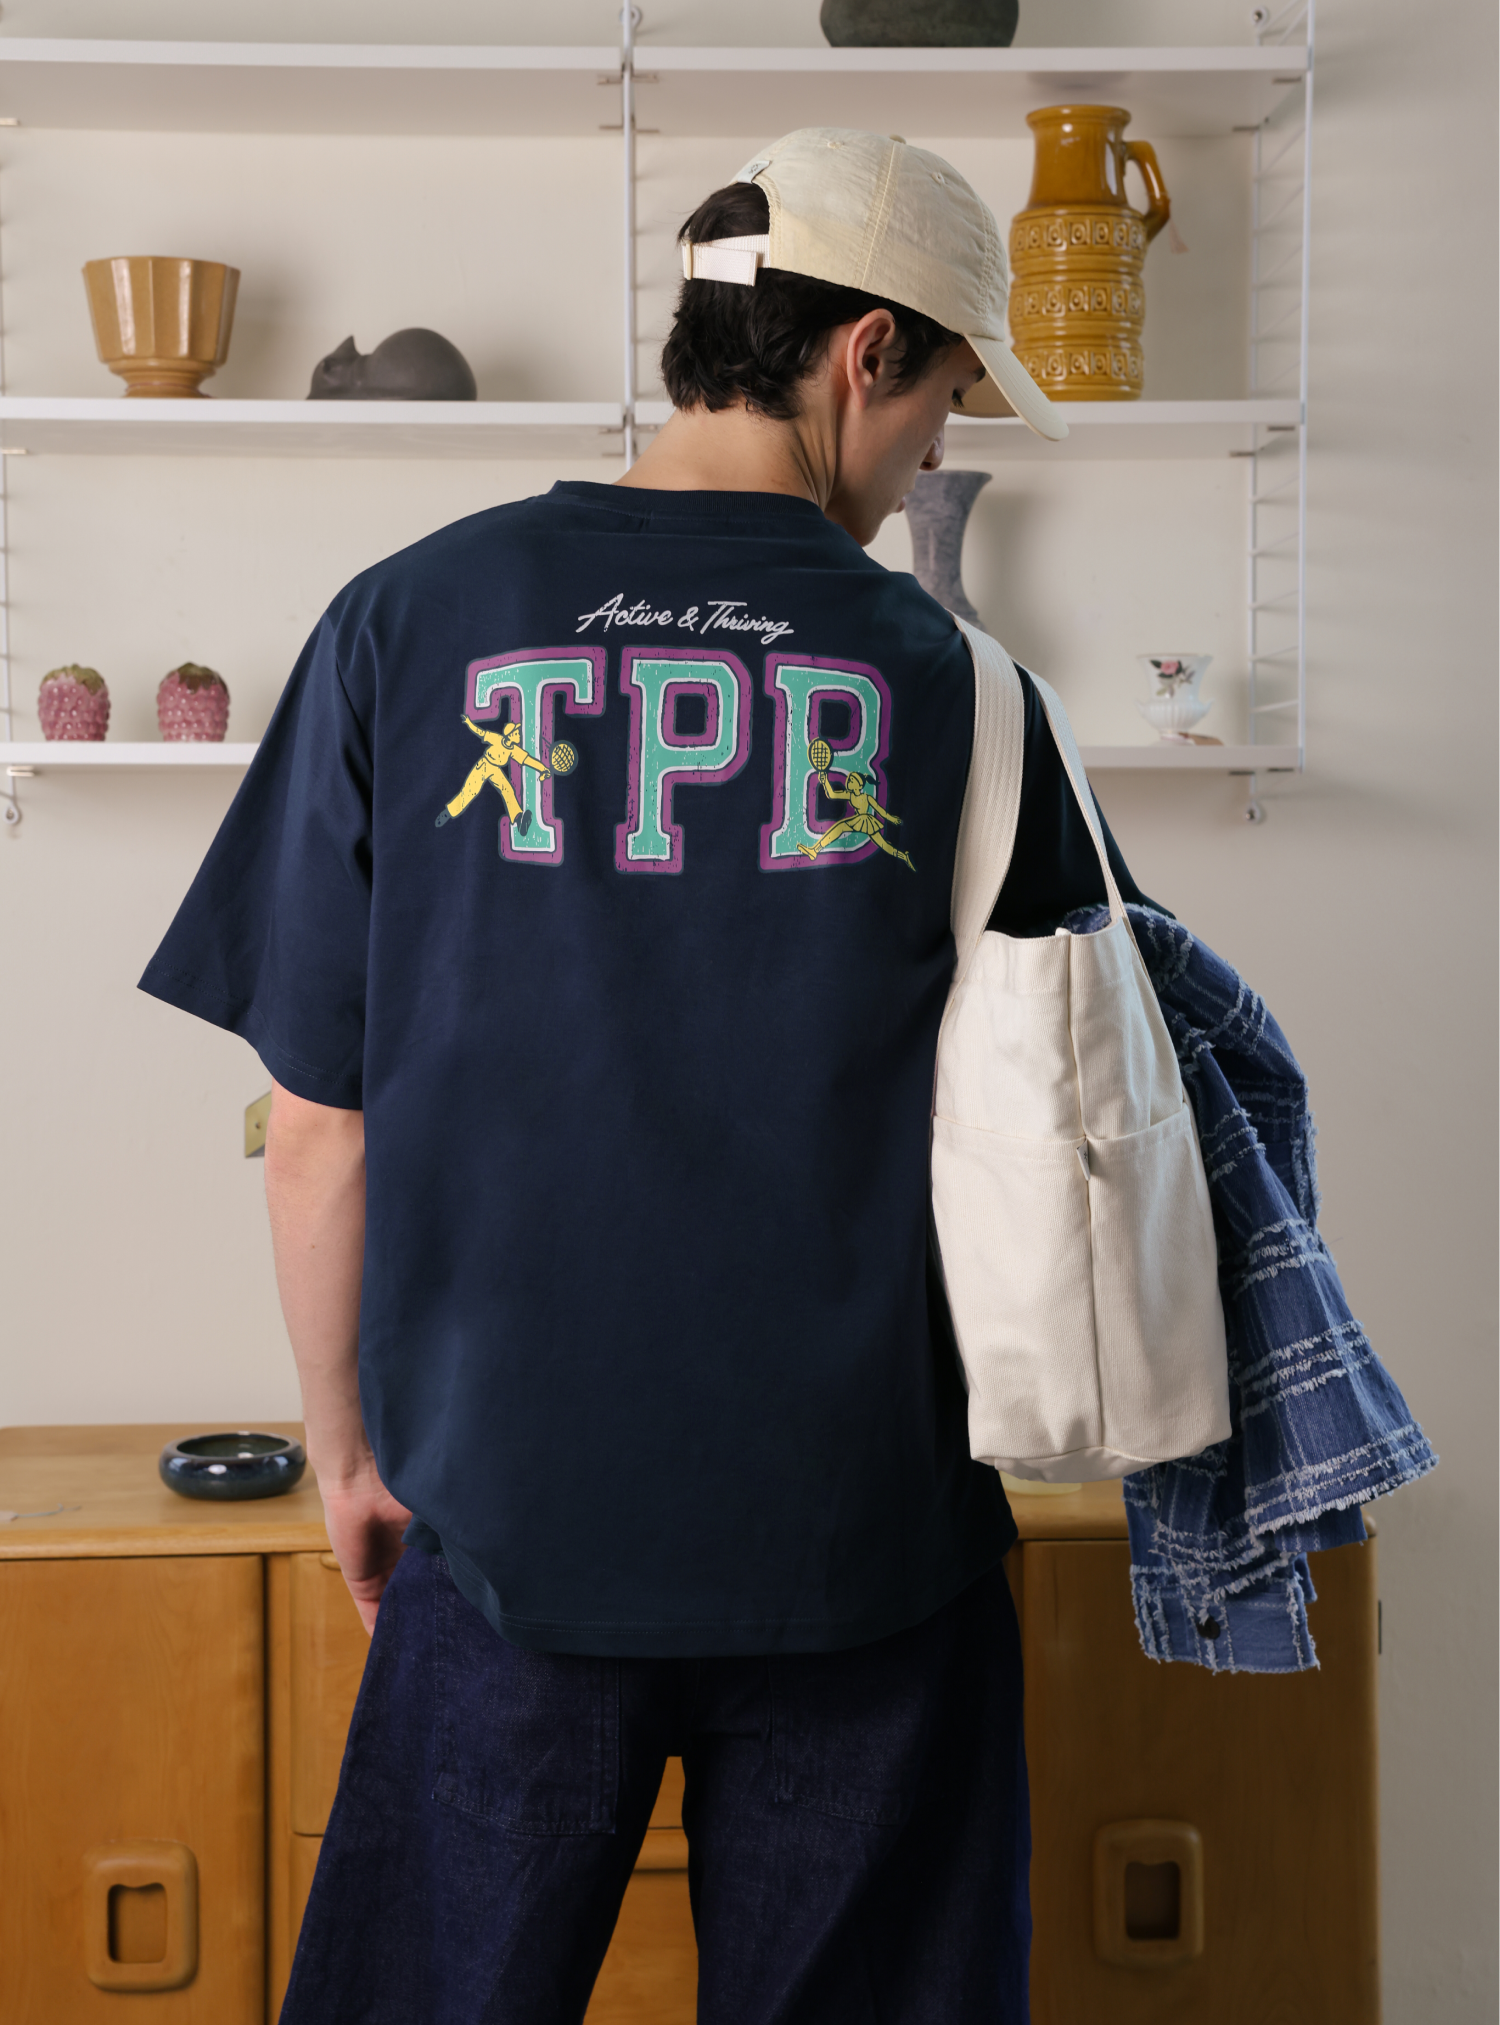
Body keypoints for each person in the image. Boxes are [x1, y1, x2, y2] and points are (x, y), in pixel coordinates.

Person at [140, 129, 1158, 2025]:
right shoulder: (967, 686)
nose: (929, 453)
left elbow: (320, 1128)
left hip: (506, 1522)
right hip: (867, 1537)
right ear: (865, 352)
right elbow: (1074, 1100)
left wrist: (346, 1455)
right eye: (944, 397)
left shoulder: (404, 619)